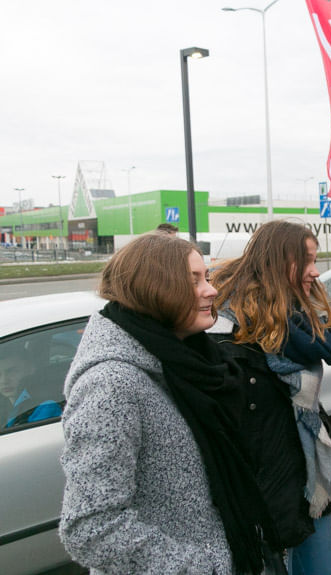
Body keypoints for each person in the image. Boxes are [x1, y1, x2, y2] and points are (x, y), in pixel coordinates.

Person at [61, 233, 277, 574]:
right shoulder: (112, 385)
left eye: (206, 277)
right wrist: (202, 568)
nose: (212, 290)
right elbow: (90, 528)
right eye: (194, 281)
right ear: (154, 291)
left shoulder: (185, 360)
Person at [209, 220, 331, 575]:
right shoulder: (226, 331)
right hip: (267, 499)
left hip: (307, 482)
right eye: (307, 261)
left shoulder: (297, 318)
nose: (315, 272)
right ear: (276, 262)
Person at [0, 341, 62, 428]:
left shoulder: (45, 407)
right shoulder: (5, 407)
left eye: (12, 371)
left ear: (31, 369)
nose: (4, 380)